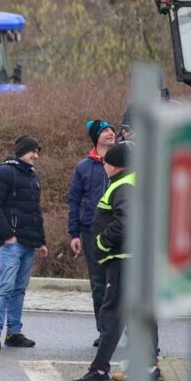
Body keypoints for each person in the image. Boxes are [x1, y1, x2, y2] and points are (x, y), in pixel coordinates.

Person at [73, 141, 162, 381]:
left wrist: (101, 243)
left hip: (124, 260)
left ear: (114, 165)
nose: (103, 167)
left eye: (106, 163)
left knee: (112, 314)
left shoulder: (123, 186)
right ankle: (149, 367)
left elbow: (126, 221)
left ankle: (99, 370)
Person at [0, 136, 47, 350]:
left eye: (37, 152)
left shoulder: (32, 176)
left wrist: (41, 241)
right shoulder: (4, 172)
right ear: (22, 151)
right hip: (13, 242)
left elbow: (35, 211)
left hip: (29, 242)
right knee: (6, 287)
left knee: (19, 289)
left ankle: (14, 333)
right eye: (33, 151)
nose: (36, 156)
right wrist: (8, 235)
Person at [69, 120, 117, 344]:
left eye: (112, 130)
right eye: (105, 130)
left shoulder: (125, 160)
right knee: (98, 283)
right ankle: (104, 331)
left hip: (120, 228)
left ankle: (128, 329)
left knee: (122, 280)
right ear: (96, 137)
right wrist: (74, 234)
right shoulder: (83, 167)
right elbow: (75, 201)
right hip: (91, 231)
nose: (111, 133)